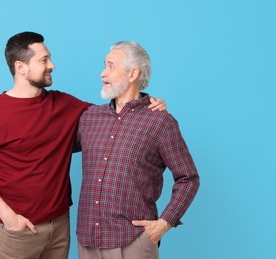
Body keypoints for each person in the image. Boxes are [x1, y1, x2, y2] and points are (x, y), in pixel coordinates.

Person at [0, 32, 166, 259]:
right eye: (43, 60)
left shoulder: (64, 104)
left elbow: (114, 117)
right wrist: (9, 217)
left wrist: (147, 102)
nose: (52, 65)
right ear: (21, 67)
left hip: (60, 229)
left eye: (49, 58)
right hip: (17, 232)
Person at [75, 41, 200, 259]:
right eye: (104, 65)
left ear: (133, 74)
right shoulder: (89, 117)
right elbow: (53, 148)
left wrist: (164, 223)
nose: (103, 73)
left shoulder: (160, 121)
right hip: (88, 242)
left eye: (111, 66)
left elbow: (188, 178)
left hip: (132, 242)